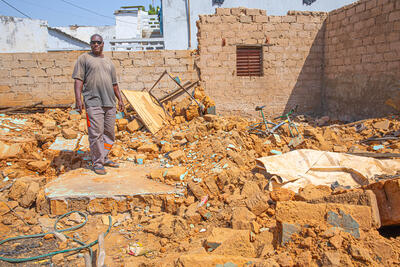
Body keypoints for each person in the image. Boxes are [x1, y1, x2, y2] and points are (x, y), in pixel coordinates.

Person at [72, 34, 124, 175]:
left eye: (98, 42)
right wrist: (78, 99)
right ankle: (98, 162)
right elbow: (78, 80)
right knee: (96, 133)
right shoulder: (84, 59)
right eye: (93, 42)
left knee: (109, 133)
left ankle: (104, 156)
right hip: (93, 102)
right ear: (90, 44)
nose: (95, 44)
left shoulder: (109, 62)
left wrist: (120, 99)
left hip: (109, 103)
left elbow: (114, 84)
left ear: (102, 44)